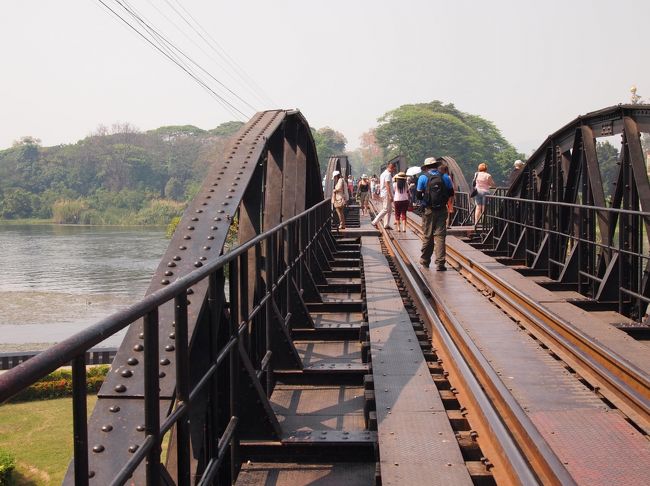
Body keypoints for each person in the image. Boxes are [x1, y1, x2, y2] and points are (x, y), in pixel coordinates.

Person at [416, 157, 454, 270]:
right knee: (440, 236)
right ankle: (440, 263)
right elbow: (451, 192)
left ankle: (425, 260)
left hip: (428, 210)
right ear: (436, 165)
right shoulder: (445, 177)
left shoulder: (423, 177)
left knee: (428, 235)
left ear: (426, 167)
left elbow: (418, 196)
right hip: (442, 210)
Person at [371, 162, 396, 229]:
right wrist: (390, 195)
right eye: (393, 169)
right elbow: (387, 185)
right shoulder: (388, 174)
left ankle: (386, 224)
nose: (394, 170)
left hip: (384, 193)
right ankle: (374, 221)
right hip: (386, 194)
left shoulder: (383, 174)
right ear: (391, 167)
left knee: (389, 209)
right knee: (385, 209)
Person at [472, 163, 496, 229]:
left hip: (477, 191)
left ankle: (476, 222)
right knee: (484, 207)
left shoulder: (476, 174)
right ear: (486, 168)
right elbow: (492, 184)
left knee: (478, 207)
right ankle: (484, 223)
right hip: (485, 192)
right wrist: (490, 185)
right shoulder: (488, 175)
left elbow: (474, 182)